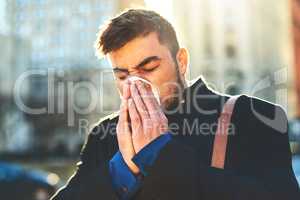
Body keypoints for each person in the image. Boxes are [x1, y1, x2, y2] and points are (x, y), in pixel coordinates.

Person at [51, 9, 300, 200]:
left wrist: (161, 155)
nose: (136, 84)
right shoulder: (104, 135)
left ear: (181, 61)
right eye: (122, 75)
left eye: (148, 68)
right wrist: (121, 170)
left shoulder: (252, 117)